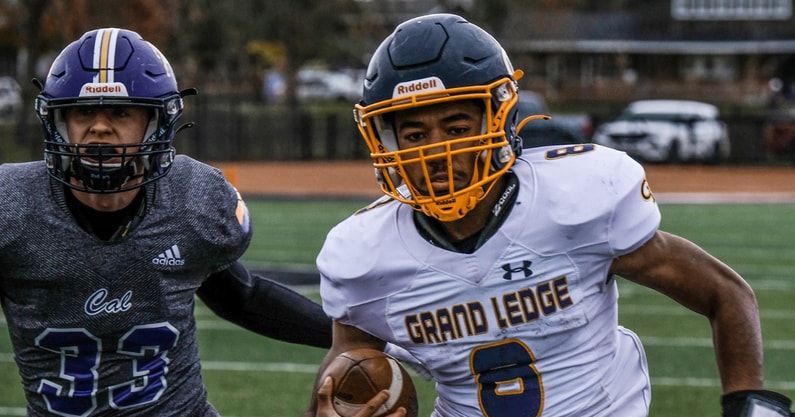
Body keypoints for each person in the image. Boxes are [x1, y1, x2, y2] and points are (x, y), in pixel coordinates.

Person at [305, 13, 794, 417]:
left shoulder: (576, 199)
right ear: (384, 142)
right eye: (414, 136)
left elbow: (724, 294)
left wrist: (748, 402)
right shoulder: (364, 254)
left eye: (455, 126)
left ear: (498, 119)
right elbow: (347, 367)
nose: (435, 151)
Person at [0, 28, 331, 416]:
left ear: (157, 121)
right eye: (84, 110)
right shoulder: (13, 208)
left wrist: (350, 336)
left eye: (121, 112)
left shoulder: (193, 203)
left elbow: (242, 298)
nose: (100, 127)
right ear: (58, 120)